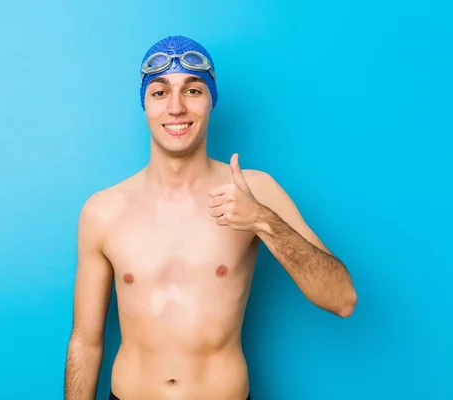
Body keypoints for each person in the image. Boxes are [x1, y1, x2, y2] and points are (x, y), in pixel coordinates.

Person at [64, 35, 357, 400]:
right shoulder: (103, 210)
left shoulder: (254, 190)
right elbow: (85, 342)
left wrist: (263, 220)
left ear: (211, 102)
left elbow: (342, 298)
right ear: (145, 105)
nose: (175, 108)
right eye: (159, 92)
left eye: (193, 90)